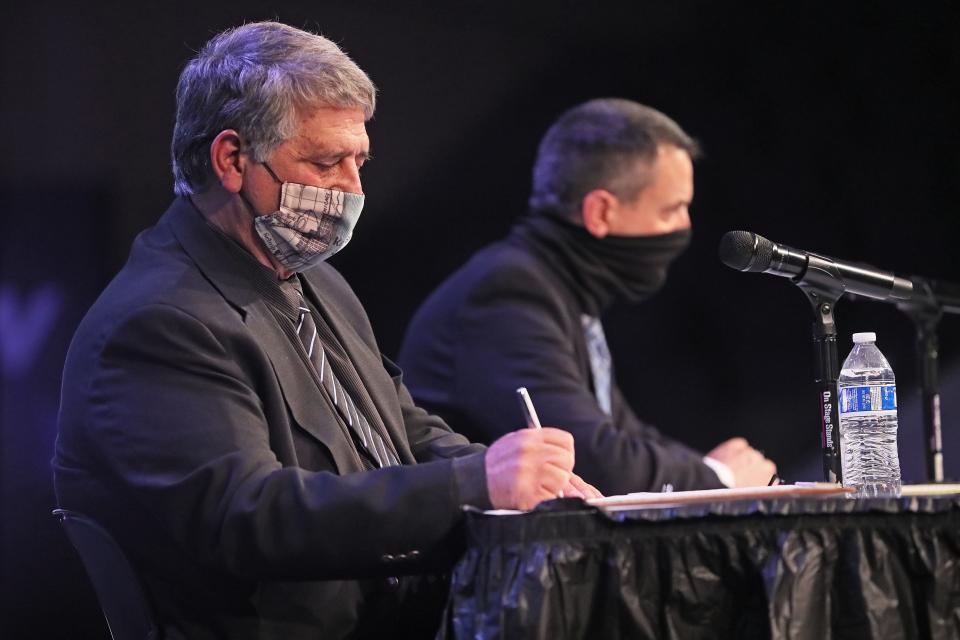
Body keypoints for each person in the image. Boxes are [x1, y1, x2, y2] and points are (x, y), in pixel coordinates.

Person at [52, 22, 598, 639]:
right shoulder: (157, 323)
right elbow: (252, 516)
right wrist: (472, 483)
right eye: (325, 161)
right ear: (232, 160)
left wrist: (518, 474)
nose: (353, 189)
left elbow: (400, 426)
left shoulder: (313, 278)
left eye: (359, 161)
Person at [398, 98, 776, 495]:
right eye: (671, 210)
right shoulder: (506, 293)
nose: (685, 226)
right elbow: (593, 459)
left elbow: (625, 433)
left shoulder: (558, 286)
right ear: (600, 213)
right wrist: (720, 479)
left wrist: (707, 469)